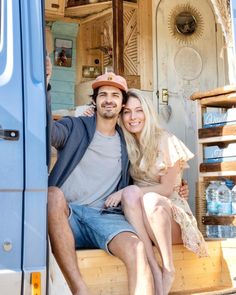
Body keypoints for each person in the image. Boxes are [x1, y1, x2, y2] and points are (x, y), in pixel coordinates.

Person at [47, 72, 155, 295]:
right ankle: (80, 290)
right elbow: (46, 132)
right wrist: (45, 87)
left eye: (115, 95)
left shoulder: (128, 141)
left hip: (105, 217)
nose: (108, 99)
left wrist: (176, 186)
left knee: (136, 248)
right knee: (52, 195)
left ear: (122, 103)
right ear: (94, 101)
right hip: (69, 217)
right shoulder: (75, 127)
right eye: (103, 94)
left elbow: (147, 173)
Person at [101, 89, 208, 295]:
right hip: (140, 219)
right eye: (127, 112)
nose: (133, 117)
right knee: (133, 195)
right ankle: (154, 268)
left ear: (148, 113)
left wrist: (127, 190)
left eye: (139, 110)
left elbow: (168, 188)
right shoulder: (126, 142)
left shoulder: (165, 139)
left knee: (145, 197)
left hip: (169, 217)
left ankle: (168, 269)